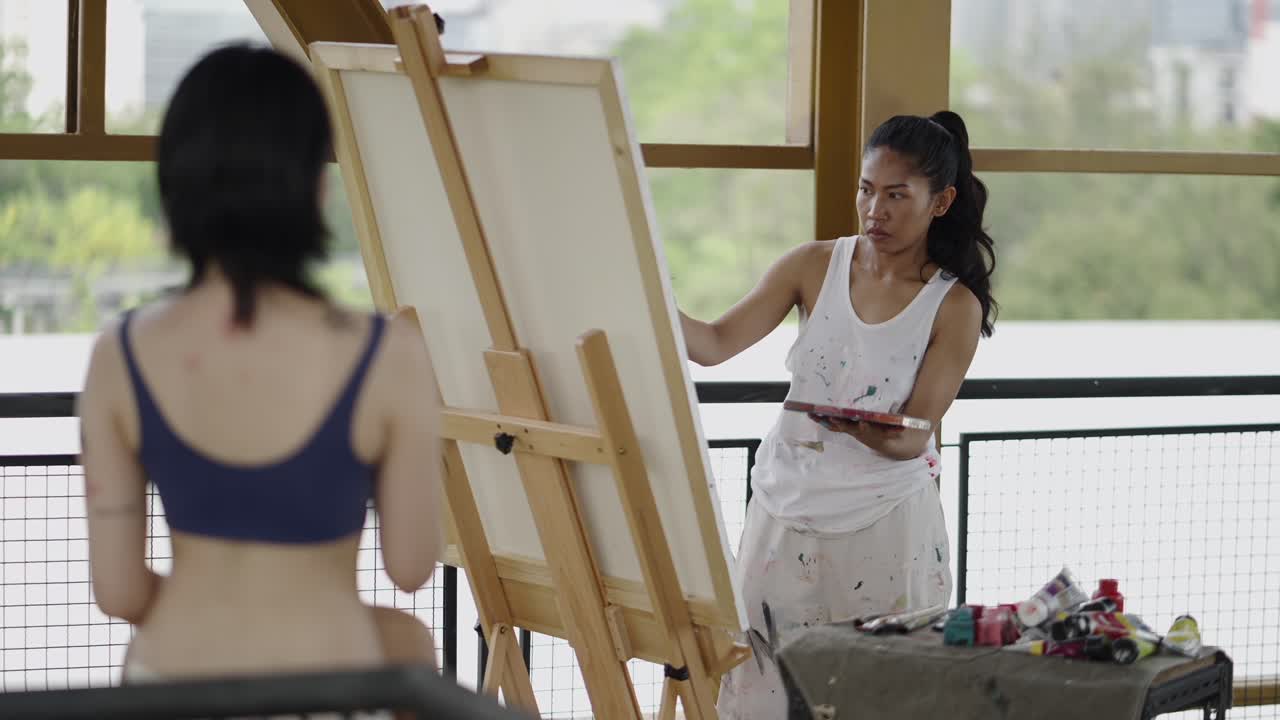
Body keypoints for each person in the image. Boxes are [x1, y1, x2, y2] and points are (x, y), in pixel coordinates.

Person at [77, 44, 444, 683]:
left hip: (170, 682)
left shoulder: (119, 353)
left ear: (175, 186)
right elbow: (411, 566)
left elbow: (120, 592)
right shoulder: (388, 353)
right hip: (327, 686)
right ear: (314, 186)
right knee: (410, 644)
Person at [680, 111, 996, 717]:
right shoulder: (812, 265)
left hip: (886, 525)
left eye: (896, 195)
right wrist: (644, 294)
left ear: (941, 202)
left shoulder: (953, 305)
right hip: (785, 510)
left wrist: (862, 428)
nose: (875, 210)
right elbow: (714, 345)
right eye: (866, 189)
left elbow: (913, 437)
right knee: (763, 686)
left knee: (877, 697)